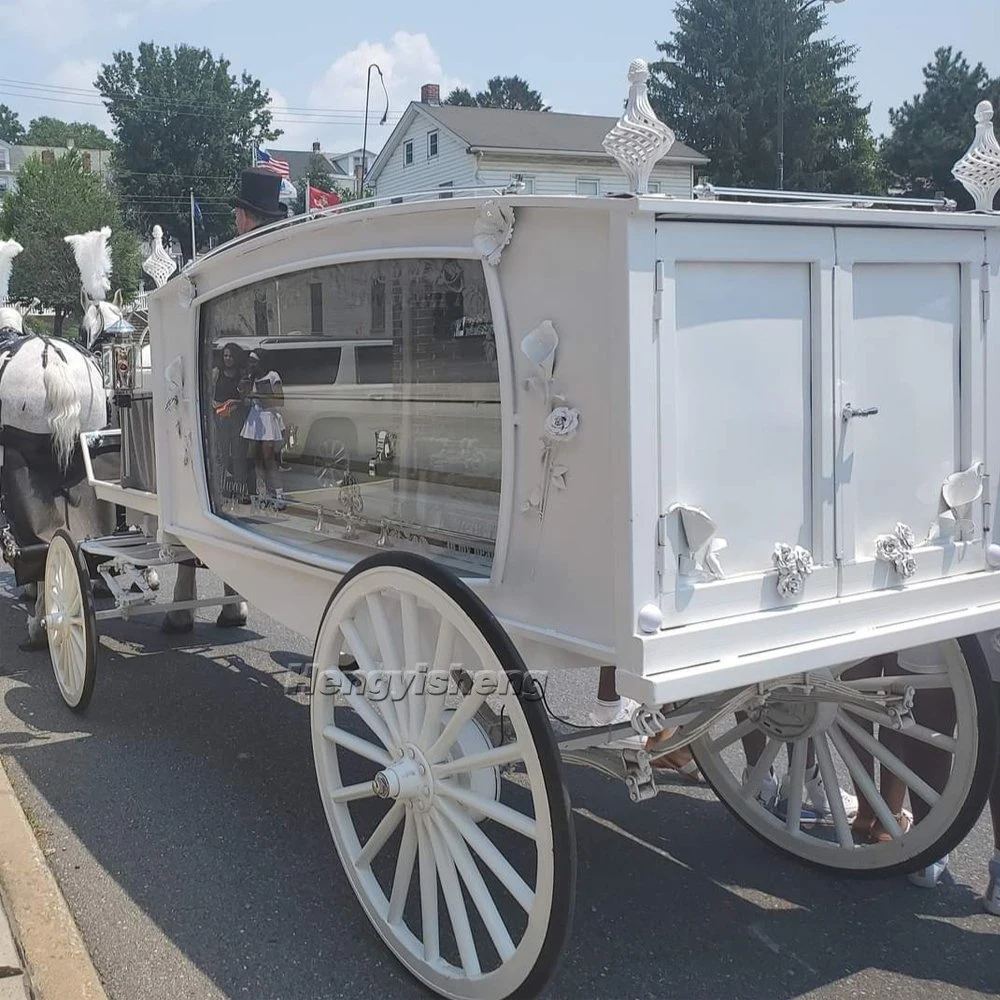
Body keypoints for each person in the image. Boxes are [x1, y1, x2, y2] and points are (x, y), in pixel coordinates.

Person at [161, 168, 285, 634]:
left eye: (237, 210)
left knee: (203, 490)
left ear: (249, 217)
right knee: (239, 492)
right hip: (253, 405)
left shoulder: (235, 264)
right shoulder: (280, 256)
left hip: (226, 406)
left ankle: (185, 599)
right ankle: (231, 599)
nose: (233, 217)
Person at [240, 350, 286, 507]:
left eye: (254, 362)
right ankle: (263, 493)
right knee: (257, 459)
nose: (251, 365)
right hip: (255, 418)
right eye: (250, 362)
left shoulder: (273, 376)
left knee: (269, 458)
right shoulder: (250, 379)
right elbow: (245, 400)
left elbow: (280, 401)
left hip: (268, 418)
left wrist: (259, 396)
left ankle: (279, 494)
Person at [212, 342, 253, 502]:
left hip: (237, 416)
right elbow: (208, 394)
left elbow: (247, 399)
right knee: (222, 455)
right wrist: (218, 405)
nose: (228, 358)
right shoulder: (217, 373)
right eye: (225, 355)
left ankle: (240, 490)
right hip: (220, 416)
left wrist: (235, 403)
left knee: (238, 455)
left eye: (230, 355)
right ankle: (221, 490)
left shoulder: (242, 374)